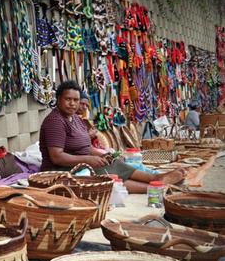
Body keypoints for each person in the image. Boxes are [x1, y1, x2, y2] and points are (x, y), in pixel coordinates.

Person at [39, 80, 186, 194]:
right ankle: (154, 188)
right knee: (105, 174)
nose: (72, 104)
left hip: (79, 163)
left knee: (114, 163)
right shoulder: (55, 121)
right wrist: (88, 159)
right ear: (58, 99)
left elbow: (85, 147)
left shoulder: (76, 118)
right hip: (60, 171)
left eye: (76, 100)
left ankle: (155, 179)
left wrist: (103, 155)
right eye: (68, 99)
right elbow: (56, 157)